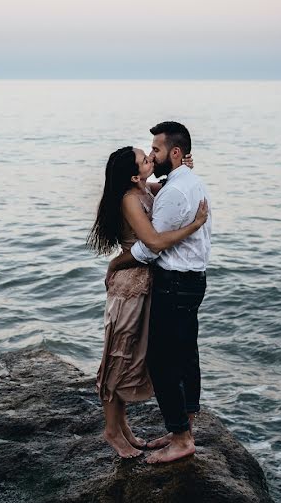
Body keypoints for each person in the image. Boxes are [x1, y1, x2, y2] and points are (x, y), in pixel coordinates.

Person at [87, 145, 208, 458]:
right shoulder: (129, 198)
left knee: (129, 354)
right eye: (145, 159)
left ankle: (122, 424)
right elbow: (152, 243)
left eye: (151, 153)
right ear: (133, 173)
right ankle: (112, 430)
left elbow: (168, 184)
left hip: (145, 284)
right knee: (118, 354)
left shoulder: (144, 188)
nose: (151, 158)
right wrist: (195, 225)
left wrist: (182, 167)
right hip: (129, 287)